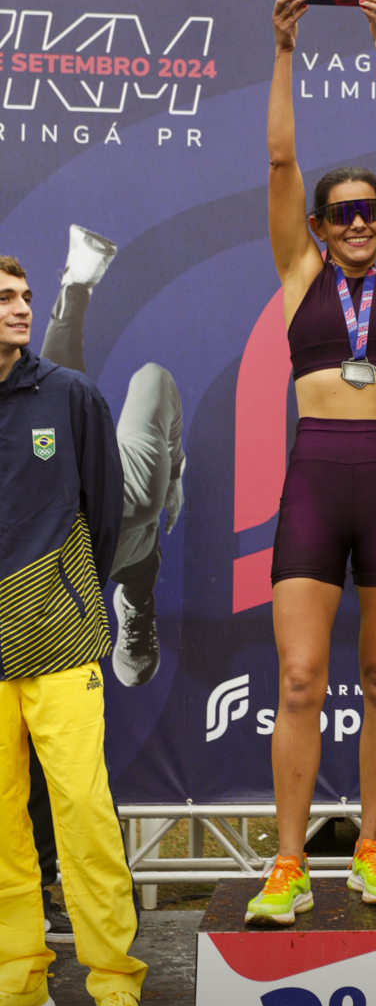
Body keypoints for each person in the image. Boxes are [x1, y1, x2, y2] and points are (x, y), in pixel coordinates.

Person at [246, 0, 376, 922]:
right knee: (298, 680)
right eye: (341, 214)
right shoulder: (298, 272)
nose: (359, 223)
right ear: (318, 226)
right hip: (315, 480)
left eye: (369, 212)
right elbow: (282, 158)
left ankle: (368, 846)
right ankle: (288, 863)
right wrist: (284, 49)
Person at [0, 257, 147, 1006]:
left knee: (83, 817)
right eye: (4, 299)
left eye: (26, 297)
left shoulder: (70, 395)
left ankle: (115, 988)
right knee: (0, 829)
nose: (21, 309)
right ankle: (20, 984)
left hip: (59, 642)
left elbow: (107, 510)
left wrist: (67, 594)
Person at [40, 223, 186, 688]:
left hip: (122, 513)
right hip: (104, 530)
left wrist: (174, 472)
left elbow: (155, 380)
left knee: (53, 398)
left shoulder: (136, 491)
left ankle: (135, 602)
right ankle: (136, 598)